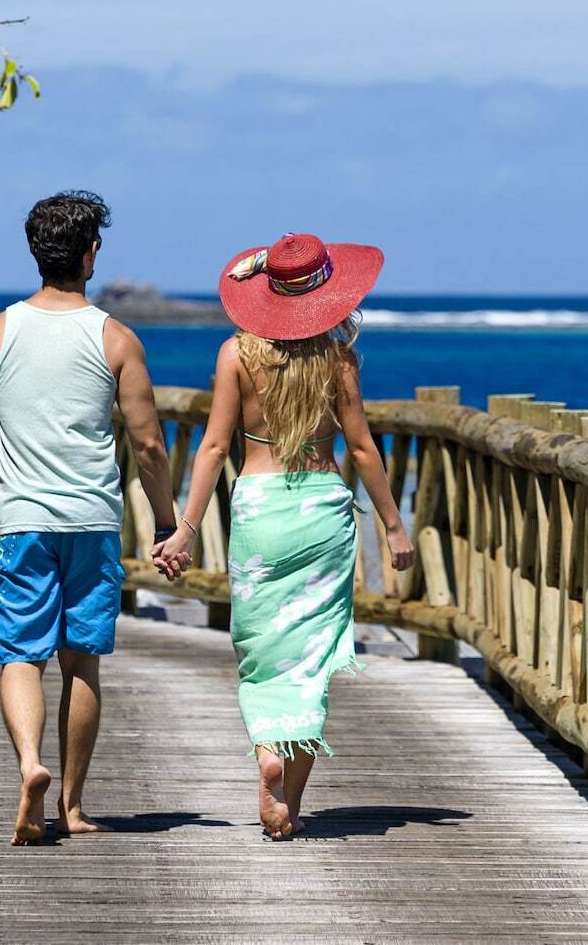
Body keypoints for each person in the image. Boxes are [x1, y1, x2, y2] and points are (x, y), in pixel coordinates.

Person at [0, 190, 191, 845]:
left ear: (36, 251)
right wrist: (167, 521)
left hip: (21, 516)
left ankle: (31, 763)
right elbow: (148, 443)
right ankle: (73, 805)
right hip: (89, 517)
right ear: (90, 254)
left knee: (19, 652)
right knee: (80, 660)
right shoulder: (115, 336)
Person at [172, 232, 415, 839]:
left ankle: (266, 754)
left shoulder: (236, 355)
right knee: (310, 657)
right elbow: (361, 449)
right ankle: (289, 805)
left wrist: (185, 529)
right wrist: (393, 525)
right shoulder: (339, 359)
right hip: (322, 513)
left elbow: (214, 447)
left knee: (261, 655)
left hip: (258, 511)